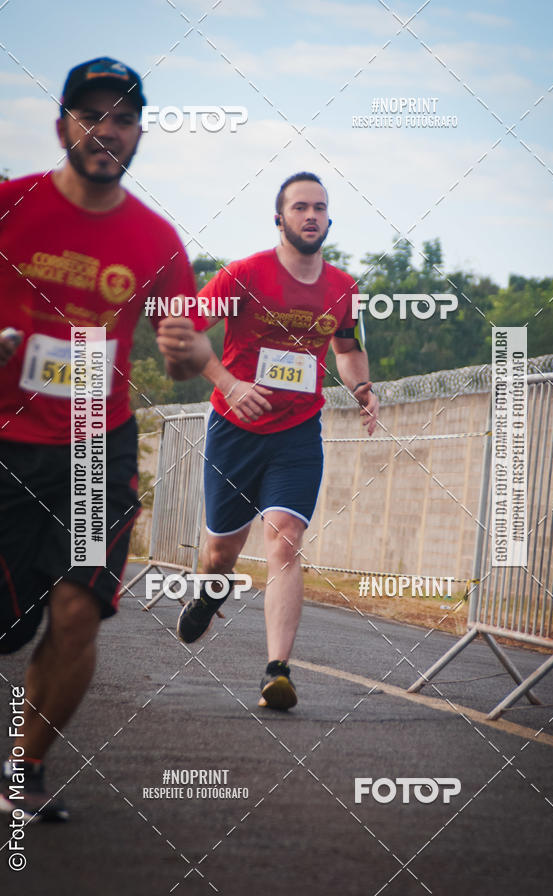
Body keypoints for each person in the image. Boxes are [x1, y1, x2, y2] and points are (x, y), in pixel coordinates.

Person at [0, 57, 211, 821]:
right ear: (63, 125)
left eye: (122, 118)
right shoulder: (10, 205)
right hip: (5, 438)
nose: (106, 130)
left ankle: (25, 769)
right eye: (92, 115)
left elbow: (183, 348)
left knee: (79, 608)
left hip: (96, 445)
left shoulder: (155, 238)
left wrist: (186, 351)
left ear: (139, 135)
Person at [159, 172, 379, 711]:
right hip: (235, 430)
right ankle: (211, 591)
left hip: (298, 433)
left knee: (283, 540)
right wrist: (229, 385)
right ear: (278, 218)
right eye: (300, 207)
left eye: (320, 208)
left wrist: (362, 386)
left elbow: (346, 348)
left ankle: (277, 671)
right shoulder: (244, 275)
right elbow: (181, 327)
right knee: (221, 551)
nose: (311, 215)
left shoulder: (342, 287)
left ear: (330, 220)